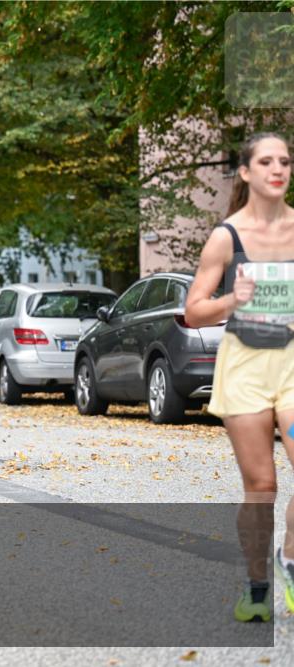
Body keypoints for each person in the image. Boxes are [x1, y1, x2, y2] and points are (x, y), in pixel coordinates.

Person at [185, 131, 294, 622]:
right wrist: (234, 300)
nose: (278, 169)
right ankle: (256, 588)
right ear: (246, 172)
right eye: (267, 161)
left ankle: (289, 559)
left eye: (286, 162)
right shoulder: (225, 237)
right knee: (262, 483)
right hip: (247, 370)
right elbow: (193, 312)